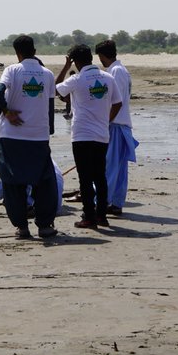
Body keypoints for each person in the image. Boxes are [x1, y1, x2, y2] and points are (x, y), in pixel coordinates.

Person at [0, 35, 58, 239]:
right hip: (38, 137)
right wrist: (48, 131)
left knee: (12, 182)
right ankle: (45, 226)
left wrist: (7, 112)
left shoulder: (12, 70)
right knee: (44, 181)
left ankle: (22, 227)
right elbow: (50, 106)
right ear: (35, 51)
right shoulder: (47, 74)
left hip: (12, 137)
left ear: (17, 53)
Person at [56, 44, 123, 229]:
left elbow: (55, 90)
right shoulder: (108, 77)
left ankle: (89, 216)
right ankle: (101, 216)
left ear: (75, 61)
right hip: (102, 134)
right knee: (100, 176)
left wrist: (65, 67)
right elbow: (118, 103)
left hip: (82, 135)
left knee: (85, 178)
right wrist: (107, 121)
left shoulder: (76, 79)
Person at [96, 40, 139, 217]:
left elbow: (116, 102)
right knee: (118, 168)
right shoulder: (119, 70)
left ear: (102, 56)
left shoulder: (116, 71)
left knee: (110, 167)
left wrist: (105, 122)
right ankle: (115, 203)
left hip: (116, 125)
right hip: (120, 124)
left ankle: (104, 203)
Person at [0, 136, 64, 218]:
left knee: (10, 195)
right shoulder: (34, 153)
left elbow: (2, 185)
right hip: (55, 204)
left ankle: (29, 211)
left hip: (46, 208)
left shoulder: (15, 162)